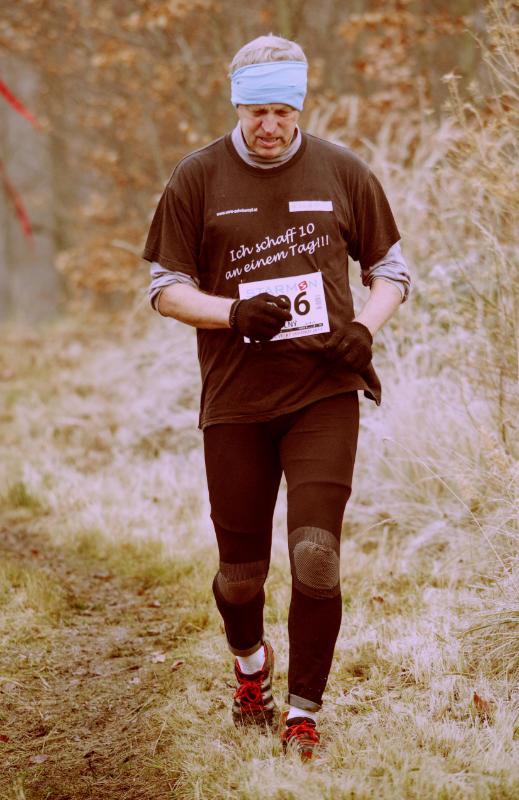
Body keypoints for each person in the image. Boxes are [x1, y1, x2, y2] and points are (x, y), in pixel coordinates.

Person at [143, 34, 410, 761]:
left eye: (282, 112)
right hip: (236, 398)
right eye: (257, 111)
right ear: (237, 105)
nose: (269, 126)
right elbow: (164, 289)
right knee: (240, 578)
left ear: (299, 107)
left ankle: (303, 714)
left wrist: (363, 327)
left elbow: (390, 270)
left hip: (324, 390)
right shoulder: (197, 177)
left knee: (316, 555)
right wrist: (231, 312)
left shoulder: (341, 169)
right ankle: (251, 667)